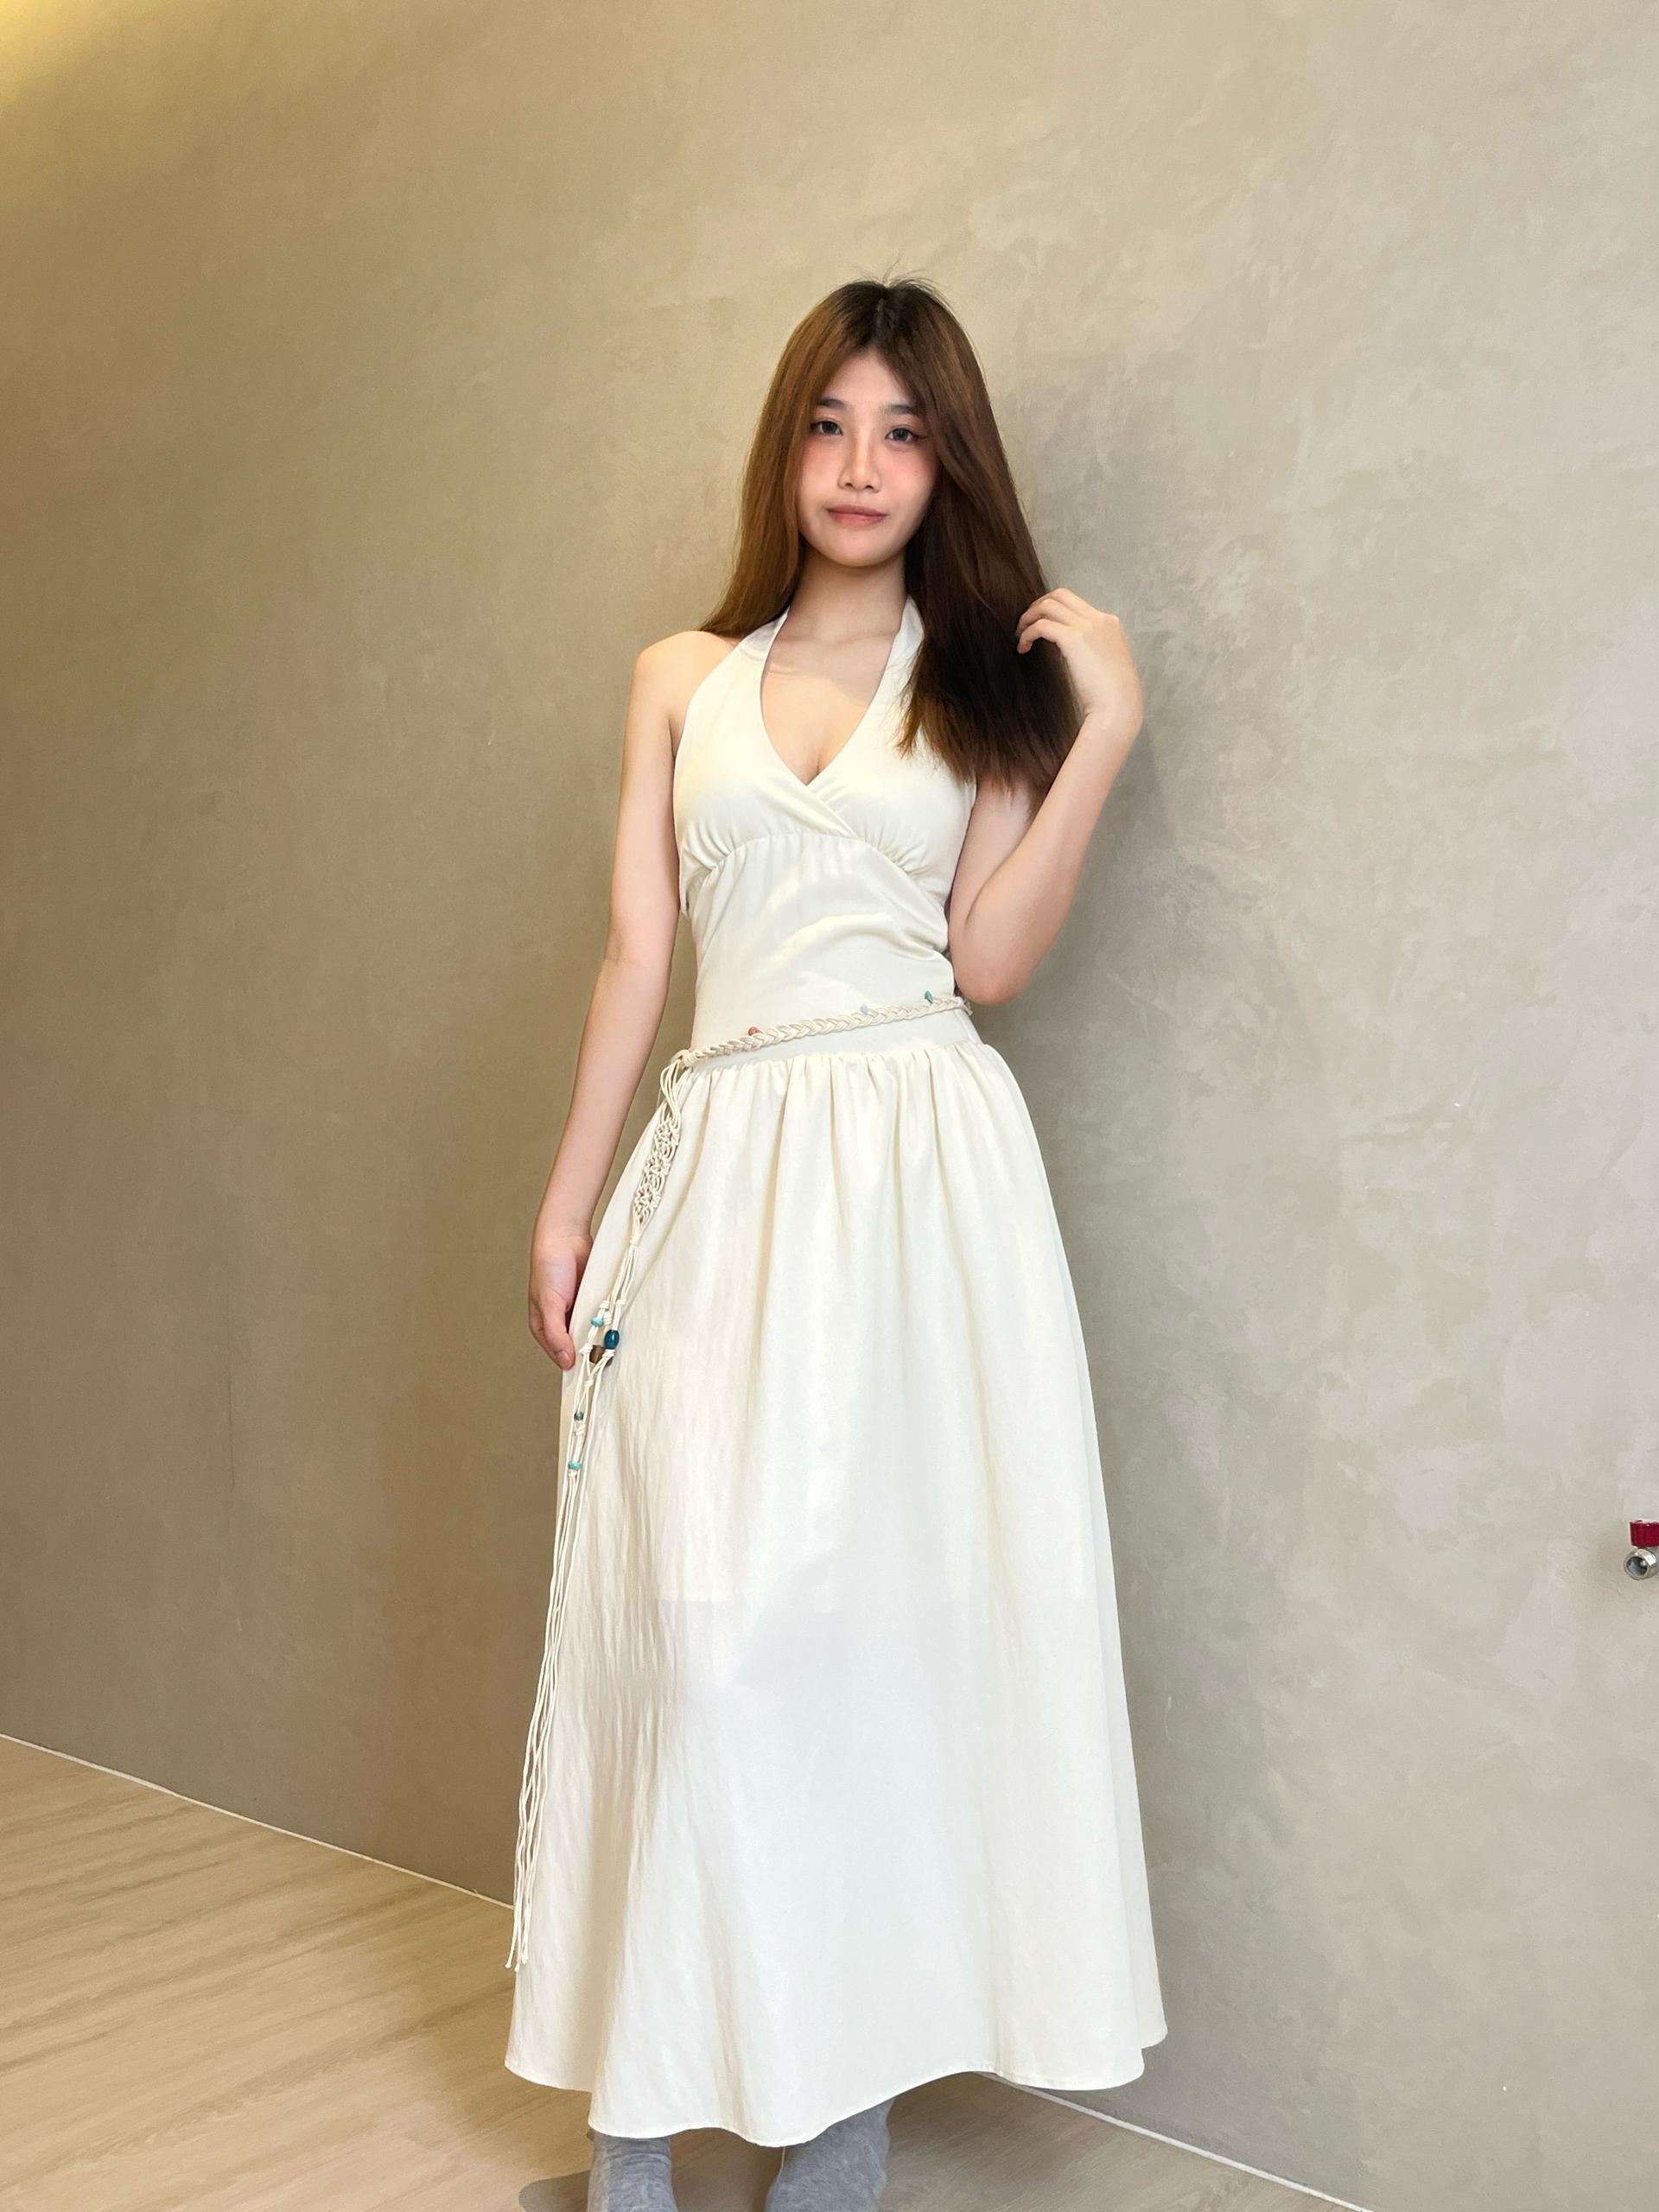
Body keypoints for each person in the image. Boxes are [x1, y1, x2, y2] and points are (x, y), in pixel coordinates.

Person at [503, 274, 1167, 2212]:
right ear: (784, 445)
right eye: (829, 422)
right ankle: (635, 2131)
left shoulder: (983, 689)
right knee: (690, 1639)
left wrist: (1107, 729)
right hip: (722, 1165)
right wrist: (567, 1201)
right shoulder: (678, 676)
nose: (862, 465)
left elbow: (992, 959)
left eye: (904, 430)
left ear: (947, 463)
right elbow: (639, 955)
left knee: (877, 1643)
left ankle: (842, 2132)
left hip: (918, 1184)